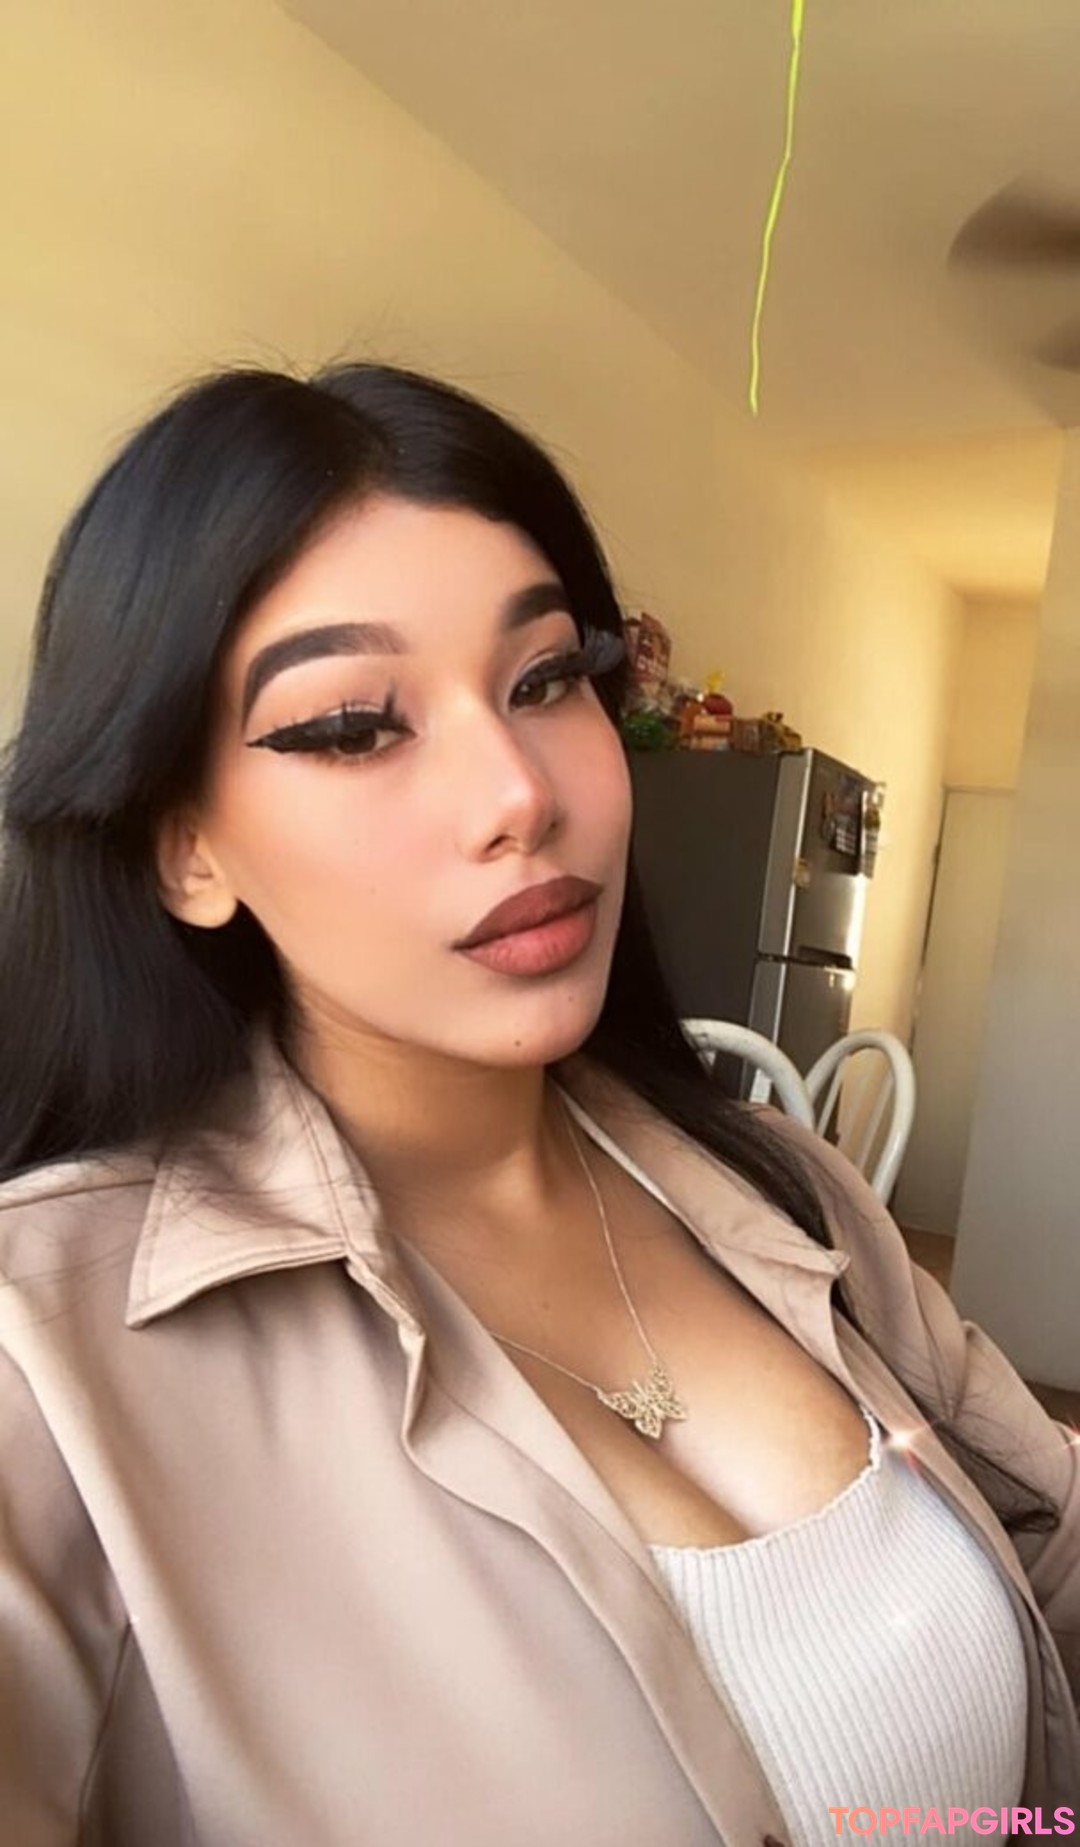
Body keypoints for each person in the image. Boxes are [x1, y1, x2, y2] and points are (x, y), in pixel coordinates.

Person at [0, 362, 1076, 1847]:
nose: (519, 790)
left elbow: (1045, 1541)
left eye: (546, 679)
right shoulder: (44, 1367)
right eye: (353, 726)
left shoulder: (782, 1184)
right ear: (187, 850)